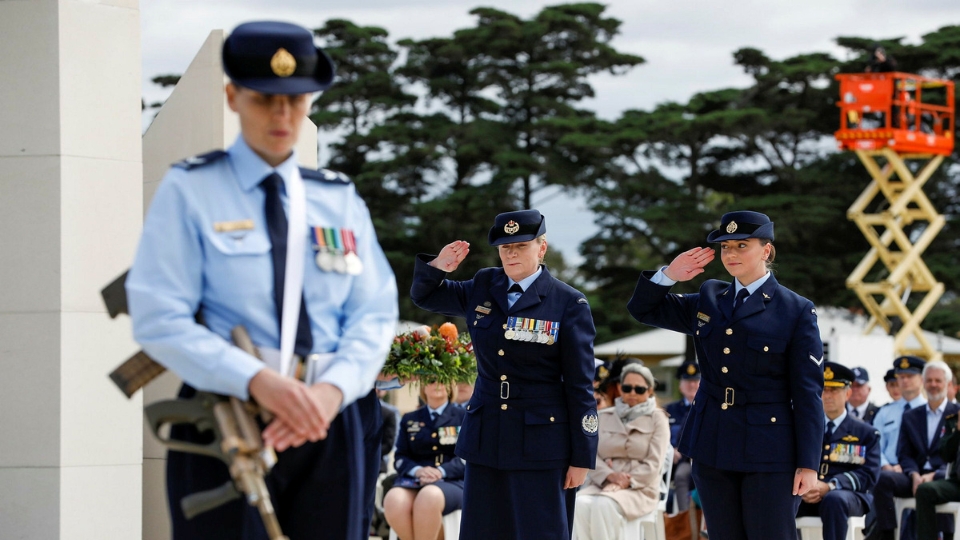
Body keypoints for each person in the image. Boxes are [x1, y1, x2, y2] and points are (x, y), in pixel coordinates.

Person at [125, 21, 399, 540]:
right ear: (233, 97)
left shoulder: (336, 199)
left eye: (295, 101)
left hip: (329, 419)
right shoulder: (191, 190)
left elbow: (375, 312)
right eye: (264, 99)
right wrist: (259, 381)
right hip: (226, 414)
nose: (282, 114)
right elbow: (159, 316)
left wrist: (330, 392)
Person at [625, 210, 824, 539]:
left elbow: (807, 392)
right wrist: (668, 275)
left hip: (770, 447)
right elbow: (643, 309)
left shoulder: (795, 309)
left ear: (766, 250)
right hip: (713, 439)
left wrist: (809, 463)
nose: (731, 254)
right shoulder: (710, 296)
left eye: (742, 245)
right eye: (725, 247)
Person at [410, 209, 598, 539]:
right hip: (487, 437)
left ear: (542, 248)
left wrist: (582, 455)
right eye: (504, 247)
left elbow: (580, 386)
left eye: (521, 246)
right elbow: (424, 294)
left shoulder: (569, 303)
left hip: (542, 443)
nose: (511, 253)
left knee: (539, 532)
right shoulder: (484, 284)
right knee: (483, 531)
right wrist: (439, 267)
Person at [574, 364, 670, 539]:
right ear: (620, 388)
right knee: (578, 503)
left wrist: (624, 481)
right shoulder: (604, 416)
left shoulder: (658, 418)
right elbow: (591, 455)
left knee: (604, 505)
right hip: (601, 484)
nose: (632, 393)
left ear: (649, 390)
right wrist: (610, 476)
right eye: (627, 388)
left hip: (640, 489)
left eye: (639, 389)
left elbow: (654, 463)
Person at [870, 359, 957, 540]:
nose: (933, 385)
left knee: (939, 483)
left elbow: (955, 455)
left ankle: (947, 535)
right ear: (924, 383)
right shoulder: (911, 416)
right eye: (930, 380)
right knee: (883, 479)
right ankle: (887, 533)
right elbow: (905, 453)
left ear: (948, 384)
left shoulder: (956, 413)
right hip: (914, 476)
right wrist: (914, 474)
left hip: (942, 476)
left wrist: (933, 475)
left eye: (938, 381)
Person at [796, 362, 880, 540]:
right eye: (824, 390)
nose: (827, 396)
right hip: (807, 493)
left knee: (834, 500)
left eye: (834, 390)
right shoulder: (805, 427)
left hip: (848, 495)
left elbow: (869, 474)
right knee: (778, 499)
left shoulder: (865, 433)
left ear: (848, 393)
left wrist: (830, 486)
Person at [383, 382, 466, 540]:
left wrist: (440, 471)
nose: (437, 385)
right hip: (416, 479)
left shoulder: (463, 417)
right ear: (423, 387)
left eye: (443, 380)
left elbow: (466, 457)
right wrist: (418, 470)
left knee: (429, 497)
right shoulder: (410, 418)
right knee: (394, 500)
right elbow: (401, 456)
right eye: (432, 381)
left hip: (452, 481)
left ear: (451, 386)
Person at [916, 407, 960, 540]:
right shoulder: (953, 420)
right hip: (957, 482)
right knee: (925, 490)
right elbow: (946, 455)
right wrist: (958, 431)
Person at [664, 361, 700, 513]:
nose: (692, 385)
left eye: (695, 381)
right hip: (672, 460)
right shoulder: (669, 410)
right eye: (687, 381)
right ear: (680, 385)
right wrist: (671, 450)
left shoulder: (708, 408)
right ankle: (683, 518)